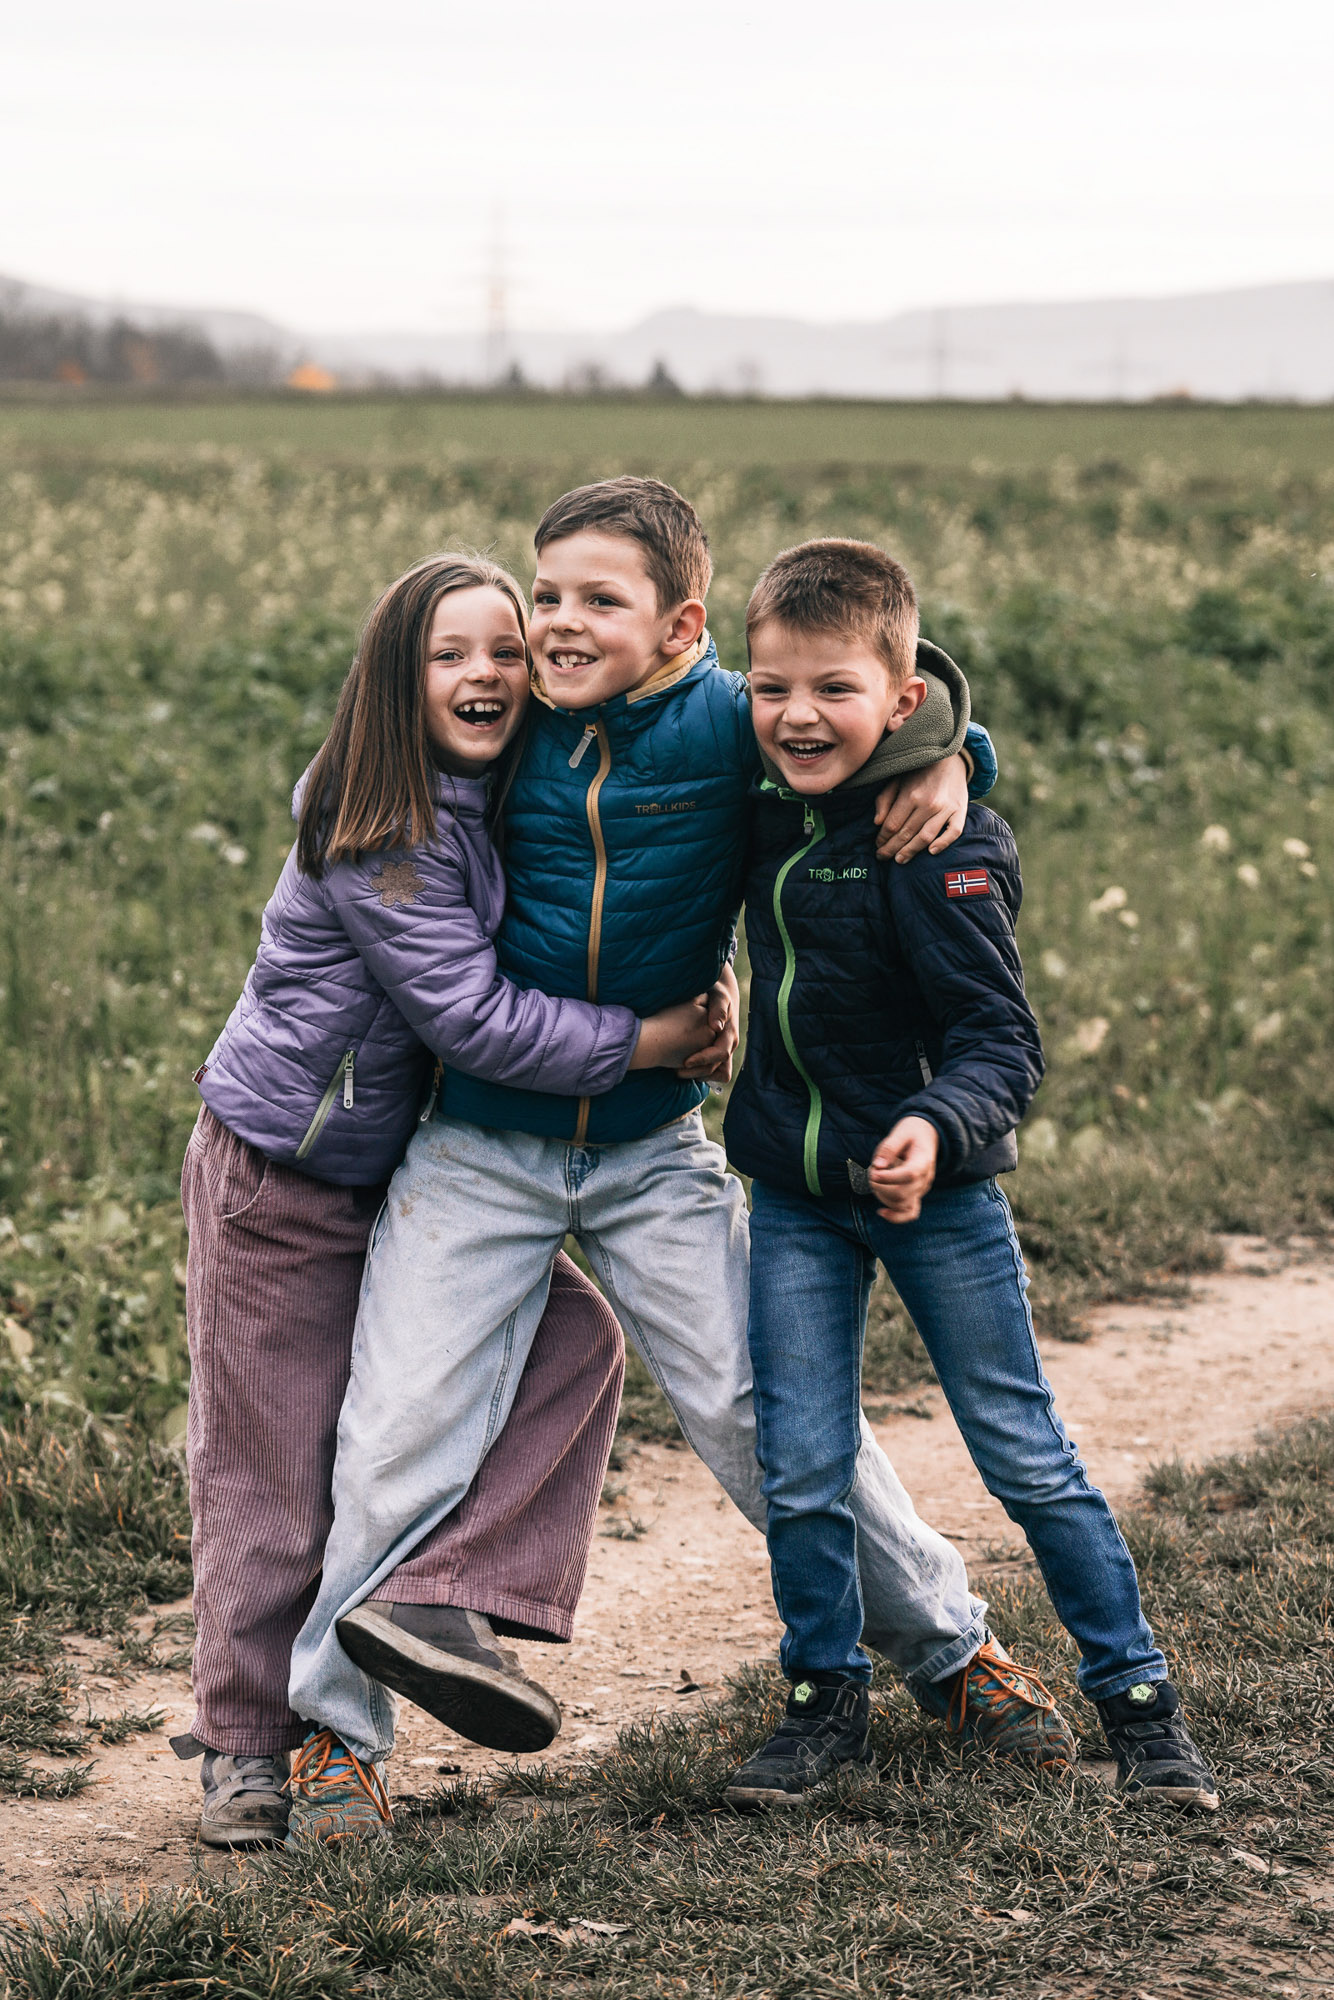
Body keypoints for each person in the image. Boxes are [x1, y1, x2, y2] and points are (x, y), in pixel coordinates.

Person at [287, 478, 1081, 1841]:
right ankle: (331, 1741)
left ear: (680, 627)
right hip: (479, 1145)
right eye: (547, 595)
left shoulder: (729, 725)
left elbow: (868, 707)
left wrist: (960, 759)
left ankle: (951, 1654)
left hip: (657, 1151)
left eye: (600, 600)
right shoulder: (511, 722)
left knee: (766, 1418)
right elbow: (370, 755)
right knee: (395, 1431)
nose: (556, 624)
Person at [177, 551, 729, 1848]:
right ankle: (248, 1748)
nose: (485, 673)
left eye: (504, 650)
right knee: (273, 1478)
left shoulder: (496, 789)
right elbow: (471, 1021)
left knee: (574, 1339)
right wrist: (654, 1041)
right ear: (396, 676)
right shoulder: (376, 824)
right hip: (281, 1175)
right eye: (448, 654)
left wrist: (945, 749)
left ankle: (437, 1590)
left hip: (392, 1174)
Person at [721, 537, 1219, 1810]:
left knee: (1019, 1446)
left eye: (833, 689)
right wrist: (957, 739)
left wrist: (936, 1127)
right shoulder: (763, 793)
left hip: (936, 1198)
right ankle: (818, 1701)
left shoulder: (940, 843)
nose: (795, 715)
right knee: (801, 1457)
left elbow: (1005, 1040)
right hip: (791, 1189)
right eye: (770, 687)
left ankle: (1139, 1701)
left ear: (898, 701)